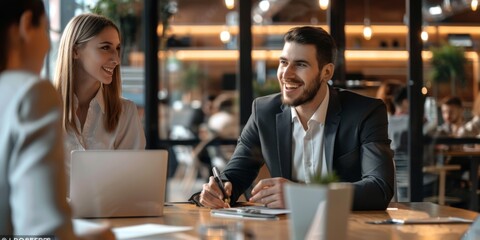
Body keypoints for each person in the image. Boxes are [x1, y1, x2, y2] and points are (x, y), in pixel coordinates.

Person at [198, 26, 394, 210]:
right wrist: (218, 190)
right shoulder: (264, 112)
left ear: (326, 72)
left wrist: (301, 196)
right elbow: (235, 175)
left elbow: (379, 188)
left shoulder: (365, 112)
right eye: (283, 62)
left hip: (347, 229)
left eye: (300, 64)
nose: (286, 74)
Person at [0, 1, 113, 239]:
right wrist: (102, 236)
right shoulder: (30, 94)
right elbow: (46, 231)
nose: (47, 46)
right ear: (26, 25)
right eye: (45, 31)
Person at [54, 13, 146, 178]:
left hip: (112, 205)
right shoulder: (43, 111)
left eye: (117, 48)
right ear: (75, 51)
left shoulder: (125, 113)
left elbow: (132, 181)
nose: (116, 59)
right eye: (105, 47)